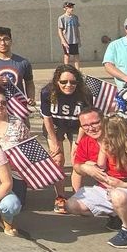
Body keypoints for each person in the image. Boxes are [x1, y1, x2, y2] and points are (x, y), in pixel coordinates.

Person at [65, 111, 127, 248]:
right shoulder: (87, 142)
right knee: (72, 205)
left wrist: (125, 185)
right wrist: (86, 168)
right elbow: (77, 166)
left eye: (95, 123)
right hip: (107, 190)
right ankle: (117, 215)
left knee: (118, 195)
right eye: (85, 125)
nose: (90, 128)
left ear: (104, 121)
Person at [39, 65, 93, 211]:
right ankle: (60, 197)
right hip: (55, 125)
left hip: (77, 126)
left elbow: (86, 121)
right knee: (58, 159)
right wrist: (54, 142)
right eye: (64, 82)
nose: (68, 85)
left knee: (77, 159)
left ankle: (78, 196)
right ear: (57, 81)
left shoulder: (85, 94)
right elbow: (47, 118)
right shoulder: (47, 92)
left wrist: (77, 142)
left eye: (73, 82)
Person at [0, 85, 29, 207]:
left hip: (12, 174)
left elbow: (27, 152)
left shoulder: (18, 124)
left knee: (15, 206)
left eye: (3, 102)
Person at [57, 2, 81, 68]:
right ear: (65, 8)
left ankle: (77, 70)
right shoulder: (61, 18)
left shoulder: (75, 17)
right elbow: (60, 30)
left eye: (72, 7)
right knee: (67, 55)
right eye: (70, 7)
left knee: (76, 55)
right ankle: (66, 69)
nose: (71, 9)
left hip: (74, 40)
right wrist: (63, 41)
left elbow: (77, 29)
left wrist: (79, 39)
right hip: (66, 40)